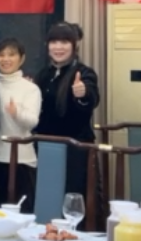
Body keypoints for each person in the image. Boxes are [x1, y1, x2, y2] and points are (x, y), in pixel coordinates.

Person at [34, 22, 101, 221]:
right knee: (46, 198)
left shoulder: (84, 73)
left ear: (74, 45)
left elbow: (91, 99)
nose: (58, 47)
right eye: (54, 42)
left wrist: (83, 94)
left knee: (74, 200)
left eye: (64, 42)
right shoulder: (43, 74)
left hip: (75, 151)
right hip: (46, 149)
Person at [0, 37, 41, 213]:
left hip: (22, 160)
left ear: (22, 58)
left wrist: (16, 113)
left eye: (11, 55)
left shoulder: (30, 89)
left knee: (21, 214)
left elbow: (33, 121)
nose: (6, 59)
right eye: (1, 55)